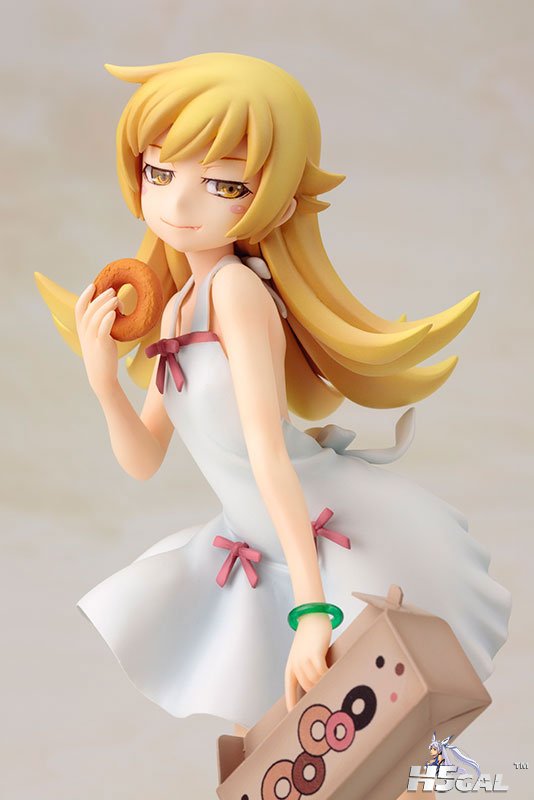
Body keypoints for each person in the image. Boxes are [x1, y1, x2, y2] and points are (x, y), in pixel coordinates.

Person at [36, 52, 511, 790]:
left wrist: (314, 610)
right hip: (253, 548)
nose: (180, 201)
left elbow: (268, 455)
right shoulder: (176, 306)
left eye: (223, 184)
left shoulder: (236, 292)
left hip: (316, 534)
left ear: (277, 203)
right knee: (281, 749)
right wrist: (103, 381)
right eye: (159, 171)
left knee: (358, 741)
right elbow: (144, 458)